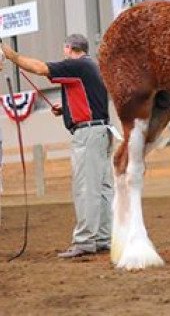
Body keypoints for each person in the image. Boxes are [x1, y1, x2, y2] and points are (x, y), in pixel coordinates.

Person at [0, 33, 113, 258]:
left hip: (87, 135)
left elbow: (40, 68)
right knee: (102, 188)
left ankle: (84, 240)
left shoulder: (77, 65)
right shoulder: (93, 67)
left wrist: (12, 56)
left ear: (69, 48)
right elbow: (92, 99)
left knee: (85, 188)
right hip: (102, 131)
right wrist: (67, 110)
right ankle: (102, 237)